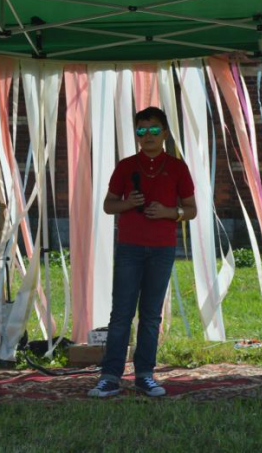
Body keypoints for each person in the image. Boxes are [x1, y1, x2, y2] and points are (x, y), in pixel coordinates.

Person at [88, 106, 196, 398]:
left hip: (162, 249)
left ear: (164, 133)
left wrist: (168, 212)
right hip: (129, 248)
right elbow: (109, 205)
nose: (147, 136)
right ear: (136, 134)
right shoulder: (125, 166)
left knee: (150, 316)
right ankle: (110, 376)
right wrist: (128, 203)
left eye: (153, 130)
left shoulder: (177, 167)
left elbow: (192, 210)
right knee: (121, 314)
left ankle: (144, 375)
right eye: (141, 131)